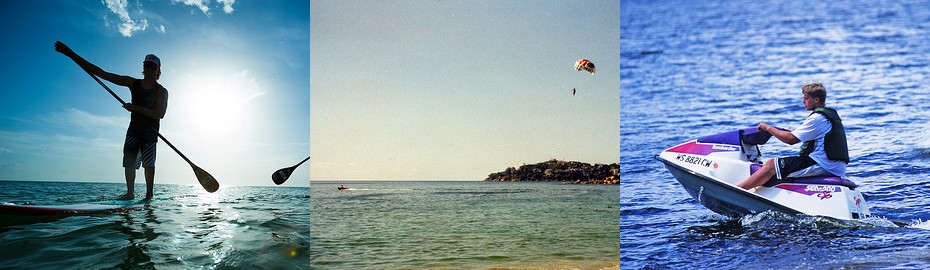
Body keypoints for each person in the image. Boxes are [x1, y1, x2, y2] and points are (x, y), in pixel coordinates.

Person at [55, 41, 168, 201]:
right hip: (133, 131)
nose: (149, 69)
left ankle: (149, 195)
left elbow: (160, 113)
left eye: (152, 67)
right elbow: (102, 73)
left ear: (158, 70)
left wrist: (134, 108)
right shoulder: (132, 83)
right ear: (144, 68)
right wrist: (71, 54)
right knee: (129, 162)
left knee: (148, 165)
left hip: (150, 134)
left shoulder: (162, 91)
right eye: (147, 66)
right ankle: (130, 193)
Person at [737, 82, 848, 190]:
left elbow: (790, 140)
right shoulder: (829, 116)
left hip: (823, 164)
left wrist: (768, 128)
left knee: (771, 165)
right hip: (833, 165)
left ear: (816, 100)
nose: (803, 101)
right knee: (778, 168)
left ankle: (737, 191)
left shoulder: (817, 118)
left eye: (806, 98)